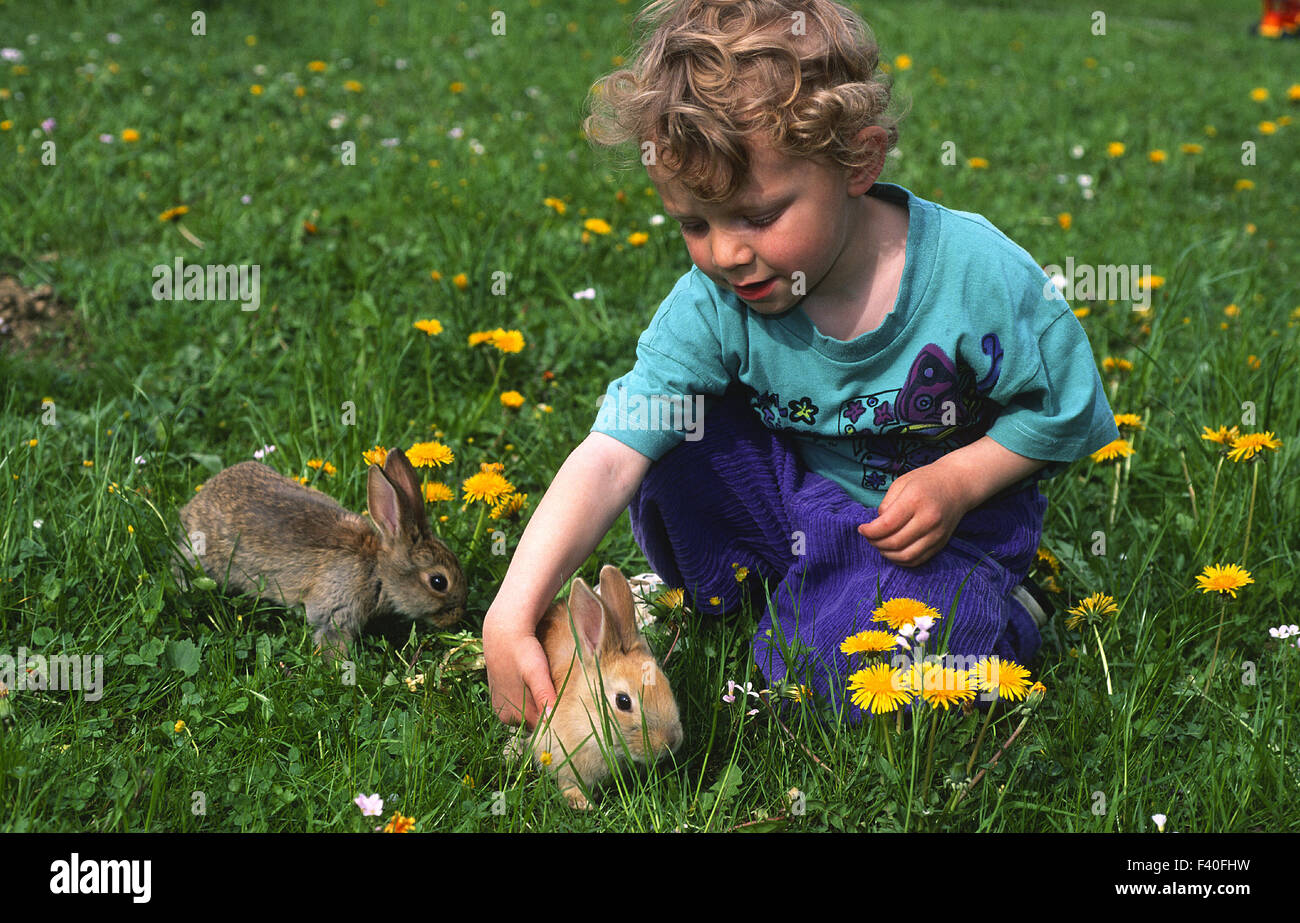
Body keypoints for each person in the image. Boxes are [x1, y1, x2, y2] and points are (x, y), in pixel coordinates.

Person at [484, 0, 1118, 729]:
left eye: (758, 216)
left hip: (940, 531)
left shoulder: (973, 276)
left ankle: (1004, 612)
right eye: (696, 223)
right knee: (674, 443)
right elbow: (610, 453)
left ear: (859, 160)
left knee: (845, 678)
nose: (726, 253)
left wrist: (960, 478)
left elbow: (1065, 407)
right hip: (799, 504)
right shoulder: (716, 303)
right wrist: (512, 608)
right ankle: (792, 595)